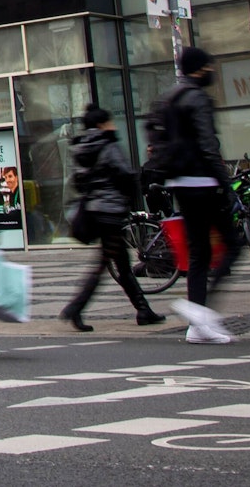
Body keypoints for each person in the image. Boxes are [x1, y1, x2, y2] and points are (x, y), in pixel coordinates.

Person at [145, 47, 239, 345]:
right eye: (210, 66)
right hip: (203, 180)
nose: (213, 71)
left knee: (199, 252)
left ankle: (197, 326)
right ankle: (202, 313)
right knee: (234, 244)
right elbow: (208, 144)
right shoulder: (197, 98)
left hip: (180, 182)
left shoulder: (168, 98)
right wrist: (224, 181)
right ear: (200, 69)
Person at [62, 104, 166, 331]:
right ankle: (76, 308)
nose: (112, 125)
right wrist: (130, 194)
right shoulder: (108, 145)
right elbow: (125, 175)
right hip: (110, 211)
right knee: (104, 265)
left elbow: (79, 182)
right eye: (109, 121)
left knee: (121, 265)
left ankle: (143, 309)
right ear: (101, 124)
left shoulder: (81, 149)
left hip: (95, 210)